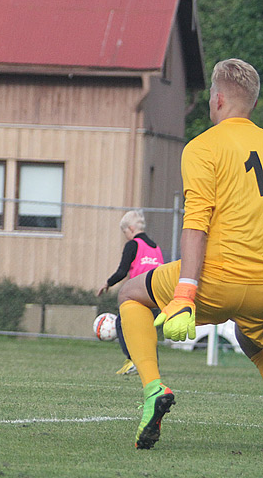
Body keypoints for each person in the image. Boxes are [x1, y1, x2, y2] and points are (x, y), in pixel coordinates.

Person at [118, 58, 263, 449]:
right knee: (249, 335)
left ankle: (153, 388)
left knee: (130, 294)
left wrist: (185, 291)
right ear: (252, 103)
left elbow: (196, 223)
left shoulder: (203, 146)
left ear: (216, 100)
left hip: (215, 281)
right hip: (262, 291)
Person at [97, 210, 164, 375]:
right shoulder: (155, 247)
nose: (125, 236)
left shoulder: (133, 245)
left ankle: (132, 359)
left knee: (123, 322)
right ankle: (151, 365)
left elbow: (122, 271)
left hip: (139, 294)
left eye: (125, 232)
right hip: (157, 294)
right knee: (149, 330)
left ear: (131, 228)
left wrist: (108, 283)